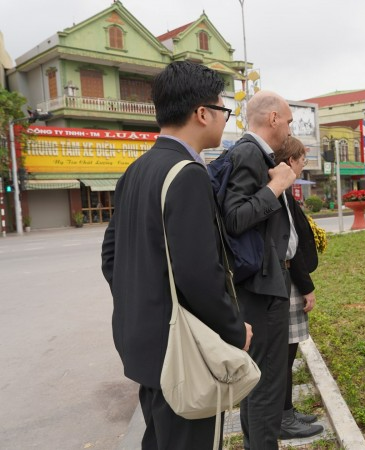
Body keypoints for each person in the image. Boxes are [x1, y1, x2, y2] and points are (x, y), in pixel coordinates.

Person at [101, 61, 253, 450]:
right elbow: (199, 273)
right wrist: (235, 331)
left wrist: (142, 306)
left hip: (143, 344)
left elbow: (111, 256)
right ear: (202, 113)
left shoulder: (135, 170)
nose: (224, 120)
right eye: (223, 111)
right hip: (180, 357)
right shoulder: (187, 173)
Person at [220, 90, 306, 449]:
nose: (289, 129)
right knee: (266, 383)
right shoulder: (248, 154)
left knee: (264, 380)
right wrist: (275, 187)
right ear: (272, 119)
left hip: (270, 281)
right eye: (287, 121)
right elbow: (235, 217)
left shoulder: (259, 154)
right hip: (259, 287)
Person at [272, 136, 324, 439]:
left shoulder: (286, 192)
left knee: (287, 354)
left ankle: (286, 411)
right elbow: (291, 247)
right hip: (289, 280)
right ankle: (282, 418)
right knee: (283, 355)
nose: (304, 163)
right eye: (302, 158)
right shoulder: (279, 192)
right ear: (290, 160)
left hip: (290, 279)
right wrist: (307, 286)